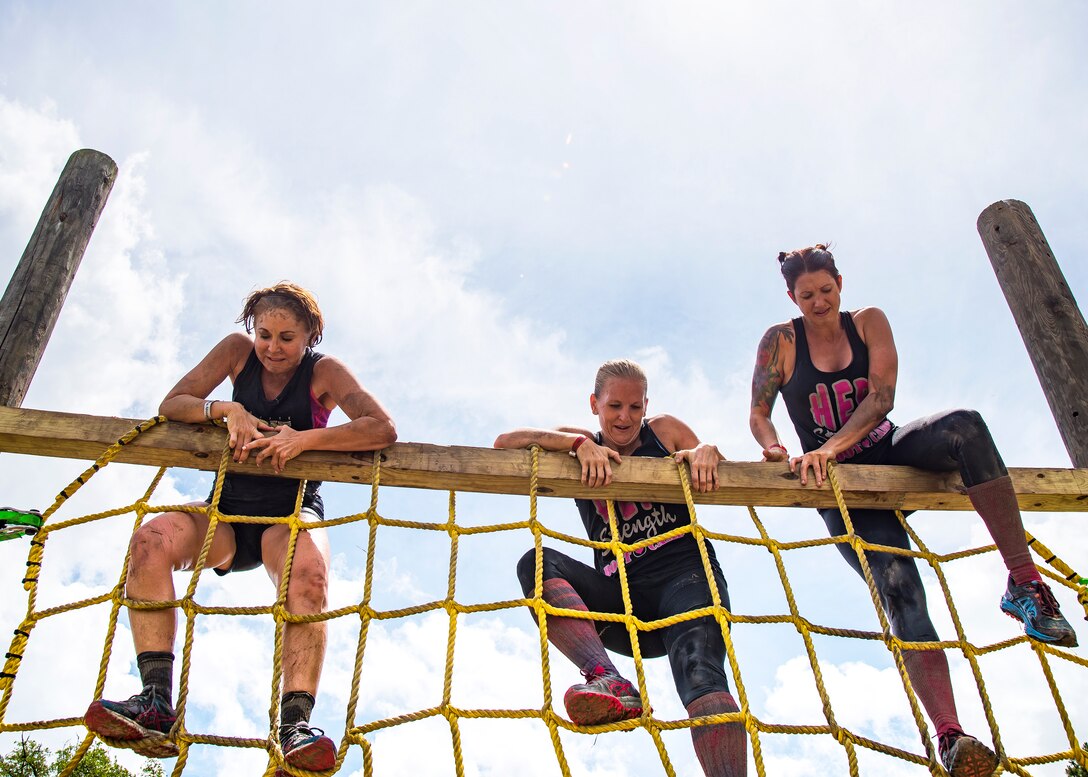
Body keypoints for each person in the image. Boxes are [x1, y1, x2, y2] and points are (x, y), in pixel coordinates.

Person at [750, 244, 1079, 776]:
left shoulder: (869, 322)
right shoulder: (781, 341)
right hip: (842, 489)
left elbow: (882, 397)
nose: (818, 302)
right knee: (901, 584)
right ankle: (950, 735)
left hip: (884, 446)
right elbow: (759, 412)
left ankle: (1024, 584)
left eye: (826, 291)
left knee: (964, 426)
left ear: (841, 283)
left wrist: (832, 444)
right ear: (792, 297)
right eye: (806, 295)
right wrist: (774, 447)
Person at [84, 282, 396, 773]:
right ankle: (155, 704)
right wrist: (227, 409)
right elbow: (174, 402)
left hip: (289, 513)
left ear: (310, 335)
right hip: (225, 513)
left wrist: (305, 440)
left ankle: (295, 725)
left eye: (287, 337)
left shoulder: (325, 373)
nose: (273, 348)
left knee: (310, 576)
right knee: (150, 539)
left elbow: (382, 428)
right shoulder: (236, 354)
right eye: (265, 334)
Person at [494, 359, 746, 777]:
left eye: (634, 407)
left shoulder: (663, 431)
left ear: (646, 406)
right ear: (595, 404)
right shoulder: (578, 441)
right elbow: (505, 442)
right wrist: (577, 446)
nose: (624, 417)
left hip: (686, 581)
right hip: (625, 603)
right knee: (536, 564)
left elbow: (709, 459)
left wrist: (708, 451)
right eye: (614, 406)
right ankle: (609, 679)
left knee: (699, 675)